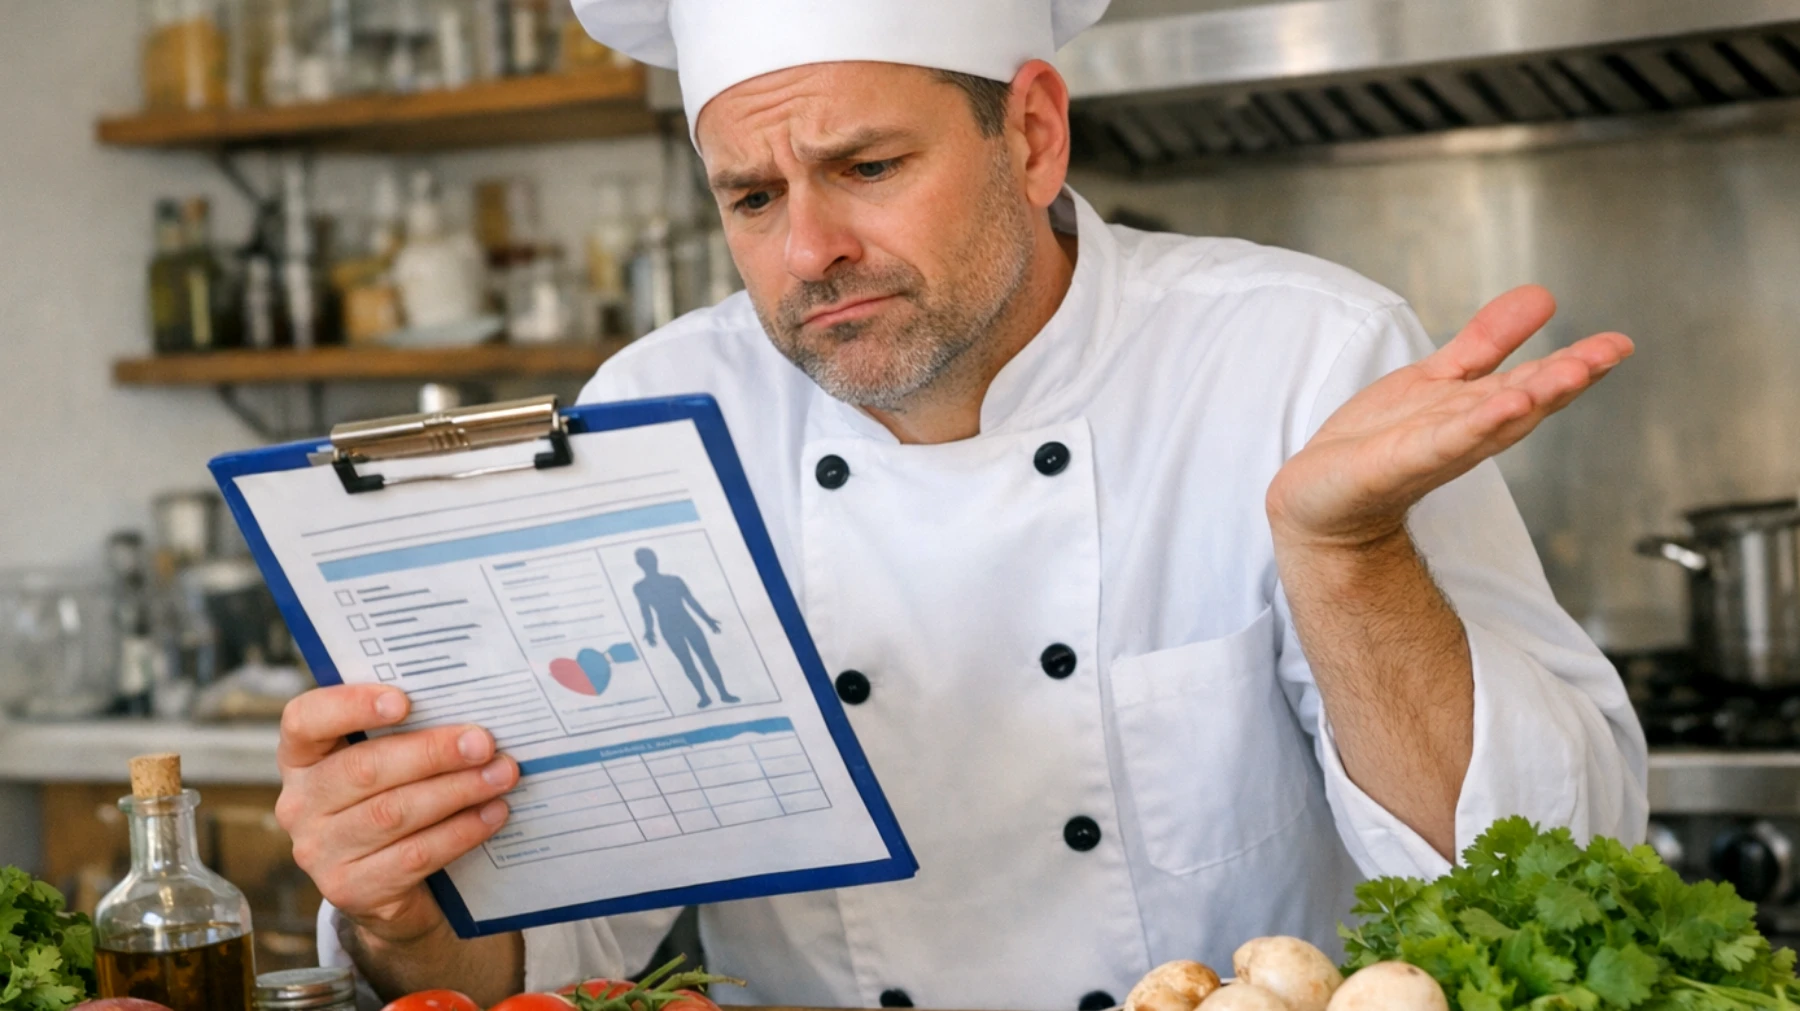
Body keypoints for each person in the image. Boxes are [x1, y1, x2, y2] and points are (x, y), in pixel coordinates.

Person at [274, 0, 1649, 1006]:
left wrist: (1346, 559)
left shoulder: (1303, 353)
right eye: (752, 196)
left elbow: (1540, 872)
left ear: (1034, 133)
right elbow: (560, 951)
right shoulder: (655, 412)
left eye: (867, 167)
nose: (809, 249)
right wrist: (399, 903)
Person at [632, 547, 737, 707]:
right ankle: (704, 696)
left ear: (656, 560)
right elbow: (645, 610)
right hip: (668, 627)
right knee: (687, 663)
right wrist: (649, 630)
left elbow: (691, 601)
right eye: (646, 560)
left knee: (706, 658)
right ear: (640, 564)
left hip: (686, 622)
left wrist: (707, 620)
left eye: (651, 559)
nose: (650, 563)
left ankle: (723, 693)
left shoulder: (674, 580)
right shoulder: (640, 587)